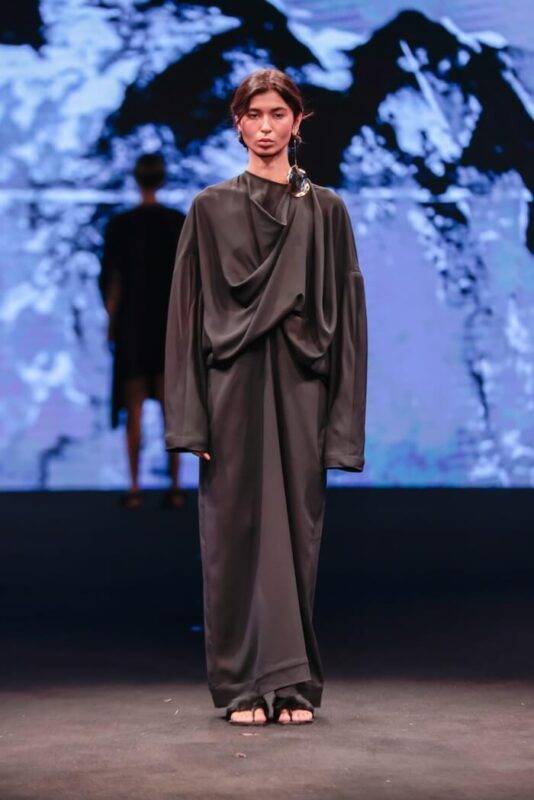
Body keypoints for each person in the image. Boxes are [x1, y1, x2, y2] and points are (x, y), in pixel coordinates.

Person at [164, 68, 368, 725]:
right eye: (254, 114)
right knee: (232, 534)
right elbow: (186, 315)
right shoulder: (209, 208)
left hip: (301, 391)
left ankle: (294, 683)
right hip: (230, 391)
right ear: (237, 123)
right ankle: (240, 685)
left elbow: (348, 319)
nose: (266, 126)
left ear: (298, 122)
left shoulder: (326, 211)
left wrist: (343, 425)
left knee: (296, 536)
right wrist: (189, 419)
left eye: (278, 113)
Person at [99, 153, 187, 509]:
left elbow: (113, 282)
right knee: (172, 409)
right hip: (168, 324)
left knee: (134, 407)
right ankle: (176, 487)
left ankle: (135, 488)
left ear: (136, 179)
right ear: (163, 179)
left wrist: (111, 326)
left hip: (133, 325)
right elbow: (188, 281)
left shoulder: (120, 226)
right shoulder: (178, 223)